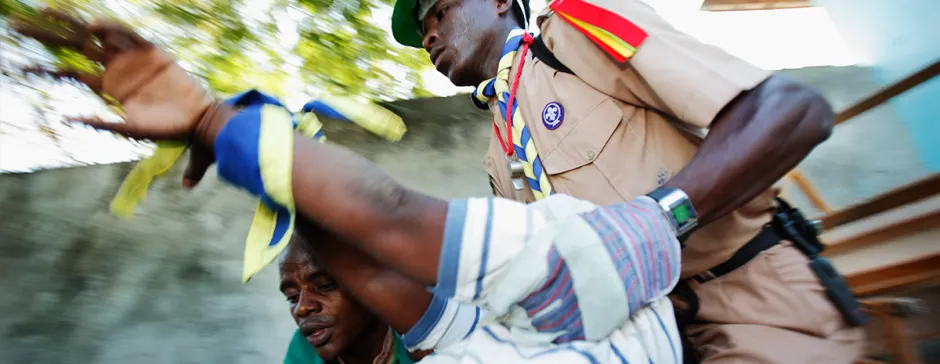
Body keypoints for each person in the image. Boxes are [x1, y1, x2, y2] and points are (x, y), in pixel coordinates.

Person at [15, 12, 686, 363]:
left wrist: (219, 125)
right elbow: (381, 254)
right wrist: (260, 166)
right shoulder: (474, 327)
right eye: (292, 292)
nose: (303, 308)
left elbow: (387, 224)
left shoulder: (578, 258)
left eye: (441, 11)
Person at [385, 0, 867, 362]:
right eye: (423, 32)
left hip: (751, 302)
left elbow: (794, 110)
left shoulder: (573, 33)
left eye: (439, 12)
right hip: (652, 340)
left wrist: (658, 218)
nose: (429, 37)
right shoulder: (499, 151)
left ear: (499, 1)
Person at [279, 236, 414, 364]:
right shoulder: (304, 351)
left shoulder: (423, 341)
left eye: (325, 286)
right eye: (292, 297)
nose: (301, 308)